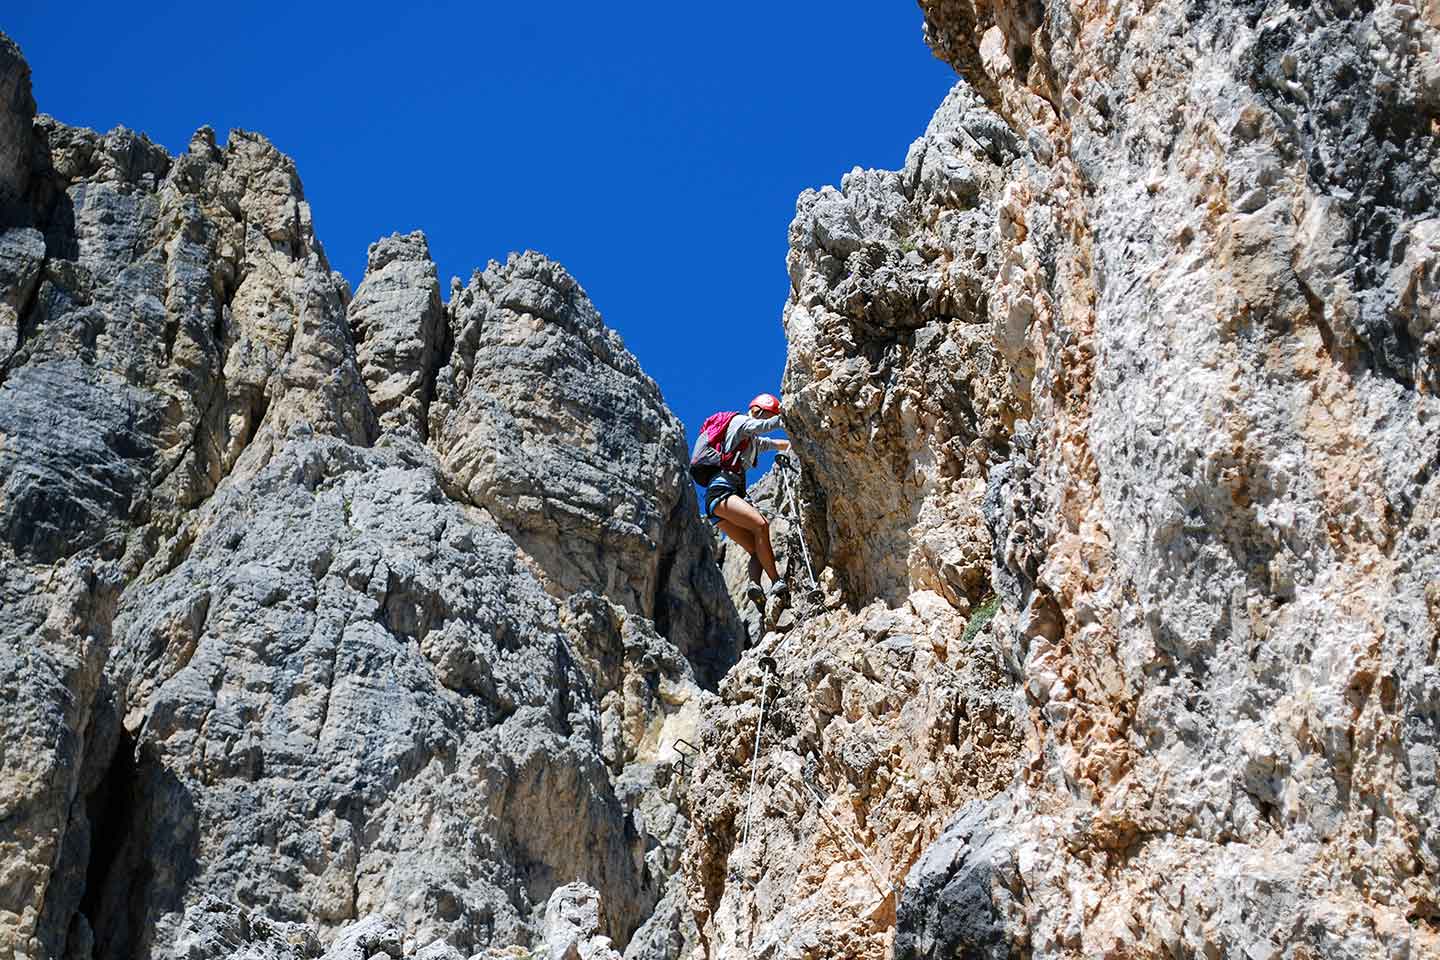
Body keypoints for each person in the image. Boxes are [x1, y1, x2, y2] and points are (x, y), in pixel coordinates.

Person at [689, 393, 791, 604]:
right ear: (757, 411)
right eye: (766, 416)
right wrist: (789, 413)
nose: (764, 421)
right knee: (761, 525)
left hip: (717, 502)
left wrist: (790, 445)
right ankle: (776, 582)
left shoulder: (750, 441)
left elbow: (770, 443)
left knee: (756, 547)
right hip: (722, 492)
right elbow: (763, 428)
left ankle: (754, 585)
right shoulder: (740, 422)